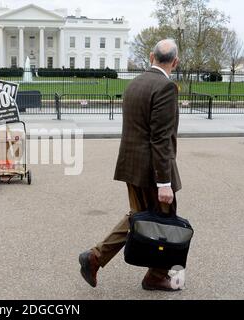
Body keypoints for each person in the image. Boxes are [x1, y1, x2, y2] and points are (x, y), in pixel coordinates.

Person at [79, 39, 182, 291]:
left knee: (138, 216)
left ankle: (95, 257)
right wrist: (164, 183)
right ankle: (156, 275)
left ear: (150, 57)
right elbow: (160, 138)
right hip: (152, 171)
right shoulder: (166, 87)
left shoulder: (134, 84)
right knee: (164, 219)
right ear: (175, 62)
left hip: (131, 166)